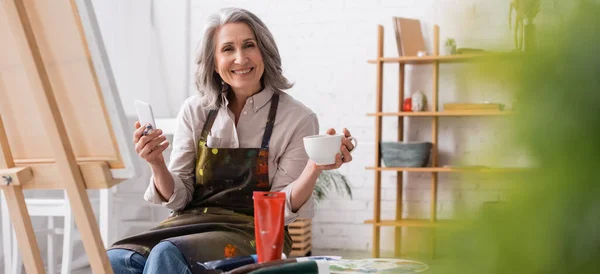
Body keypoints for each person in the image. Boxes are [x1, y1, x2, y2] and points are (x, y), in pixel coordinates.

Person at [107, 7, 355, 274]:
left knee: (167, 254)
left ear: (265, 52)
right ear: (214, 62)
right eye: (227, 49)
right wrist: (156, 163)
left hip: (254, 231)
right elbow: (179, 200)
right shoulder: (195, 110)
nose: (240, 58)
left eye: (249, 45)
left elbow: (282, 209)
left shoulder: (297, 117)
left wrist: (313, 168)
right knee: (114, 259)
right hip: (187, 225)